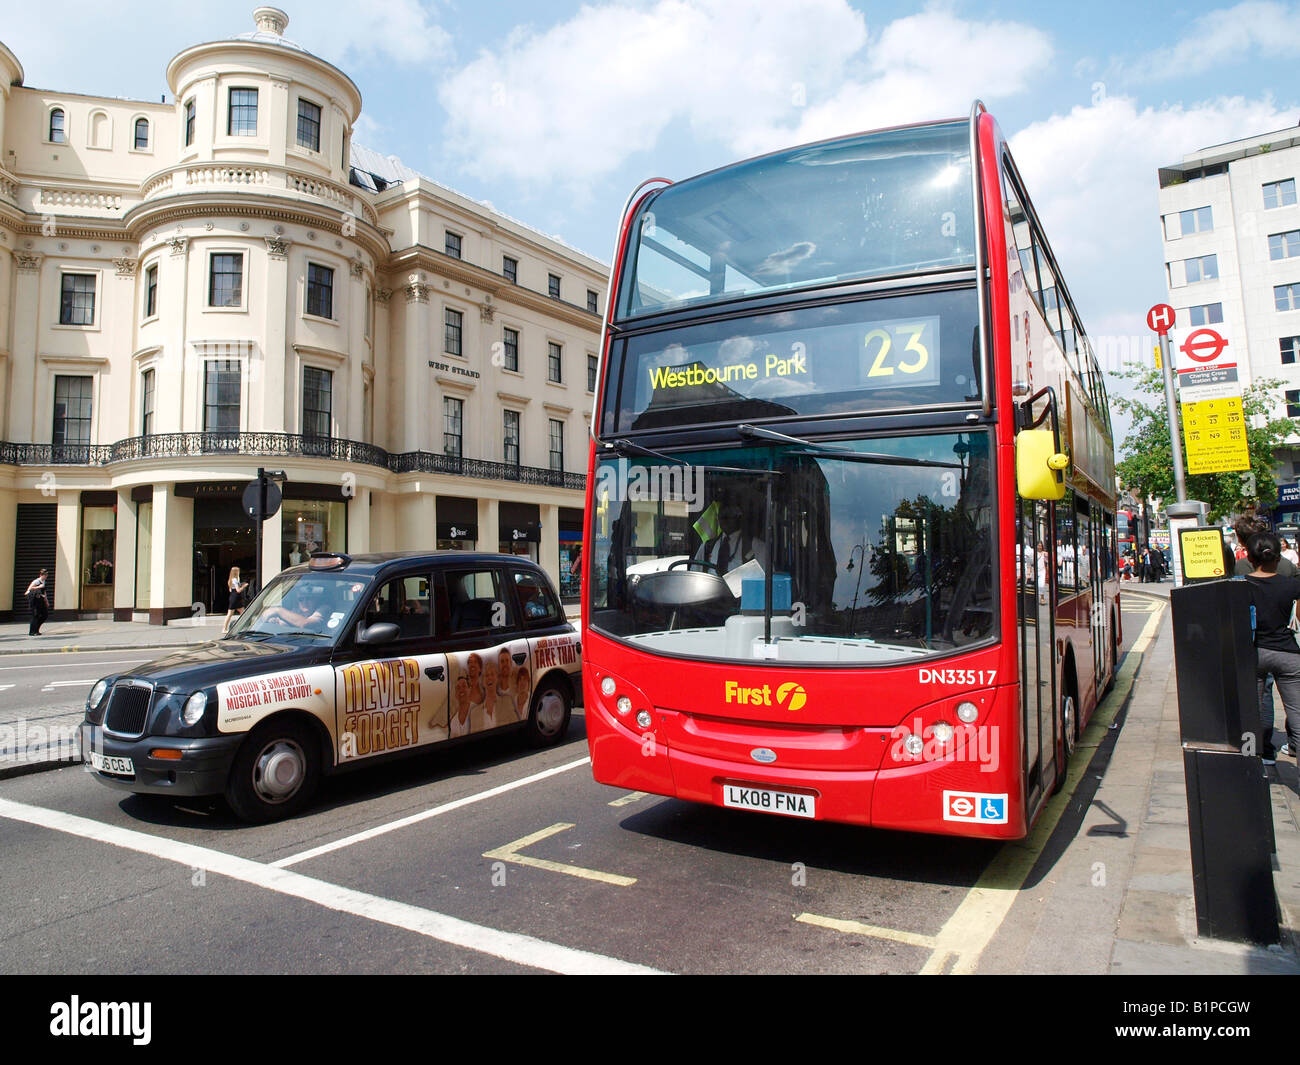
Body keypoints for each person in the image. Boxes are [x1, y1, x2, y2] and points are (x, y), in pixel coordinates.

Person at [1243, 531, 1300, 765]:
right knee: (1297, 717)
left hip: (1253, 654)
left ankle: (1253, 766)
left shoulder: (1239, 586)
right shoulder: (1293, 586)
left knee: (1251, 715)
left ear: (1250, 559)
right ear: (1277, 558)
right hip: (1287, 654)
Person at [222, 566, 249, 636]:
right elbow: (238, 590)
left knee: (242, 612)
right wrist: (244, 586)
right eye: (238, 571)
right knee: (231, 613)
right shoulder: (235, 580)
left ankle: (243, 627)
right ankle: (224, 628)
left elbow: (230, 590)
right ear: (236, 572)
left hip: (233, 597)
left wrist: (240, 585)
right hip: (236, 598)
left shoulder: (230, 580)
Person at [25, 569, 49, 636]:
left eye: (47, 575)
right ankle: (32, 631)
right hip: (34, 600)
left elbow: (44, 592)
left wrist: (46, 601)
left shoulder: (44, 581)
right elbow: (29, 589)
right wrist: (38, 587)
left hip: (41, 599)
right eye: (45, 575)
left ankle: (36, 629)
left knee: (45, 614)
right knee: (35, 615)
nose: (46, 576)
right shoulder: (36, 581)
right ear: (41, 575)